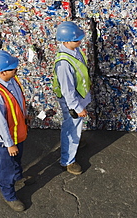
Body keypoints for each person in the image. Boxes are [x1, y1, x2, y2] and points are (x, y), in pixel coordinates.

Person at [0, 50, 28, 212]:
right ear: (2, 72)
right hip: (7, 139)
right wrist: (9, 144)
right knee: (7, 166)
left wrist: (25, 116)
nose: (16, 70)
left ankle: (18, 177)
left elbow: (18, 101)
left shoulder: (12, 80)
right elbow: (0, 123)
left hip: (18, 131)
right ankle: (8, 193)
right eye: (13, 68)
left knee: (17, 159)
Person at [52, 21, 91, 175]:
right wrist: (77, 107)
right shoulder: (63, 64)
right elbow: (68, 91)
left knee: (76, 127)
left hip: (79, 97)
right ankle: (67, 161)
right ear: (66, 41)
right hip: (72, 102)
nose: (80, 42)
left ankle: (75, 143)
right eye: (76, 40)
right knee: (71, 128)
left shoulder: (74, 51)